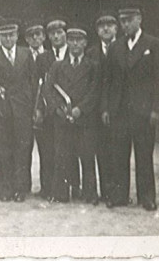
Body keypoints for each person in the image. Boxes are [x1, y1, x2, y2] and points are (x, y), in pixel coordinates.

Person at [103, 4, 159, 211]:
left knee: (144, 155)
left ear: (139, 19)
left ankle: (147, 197)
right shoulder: (115, 47)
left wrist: (157, 109)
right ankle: (120, 195)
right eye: (122, 21)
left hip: (143, 111)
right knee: (119, 155)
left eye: (129, 20)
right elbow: (108, 81)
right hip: (120, 111)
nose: (125, 25)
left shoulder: (154, 45)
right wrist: (106, 108)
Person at [0, 18, 38, 202]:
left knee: (22, 148)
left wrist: (30, 104)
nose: (7, 39)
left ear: (16, 35)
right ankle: (4, 188)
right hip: (1, 110)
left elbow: (33, 81)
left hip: (22, 109)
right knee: (2, 149)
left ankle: (20, 189)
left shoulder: (26, 54)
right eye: (4, 36)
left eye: (11, 35)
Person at [43, 24, 100, 205]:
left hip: (84, 119)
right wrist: (59, 109)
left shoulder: (92, 66)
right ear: (67, 43)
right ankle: (61, 193)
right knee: (62, 156)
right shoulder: (58, 66)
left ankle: (90, 194)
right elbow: (48, 90)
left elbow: (94, 91)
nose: (75, 44)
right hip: (63, 119)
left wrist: (79, 109)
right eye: (72, 40)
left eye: (79, 41)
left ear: (85, 43)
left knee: (87, 156)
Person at [34, 15, 72, 200]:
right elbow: (40, 85)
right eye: (52, 34)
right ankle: (47, 188)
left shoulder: (74, 53)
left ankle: (69, 189)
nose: (56, 37)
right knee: (47, 150)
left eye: (59, 33)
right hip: (50, 111)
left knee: (66, 151)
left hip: (68, 111)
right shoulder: (43, 58)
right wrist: (41, 109)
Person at [86, 10, 119, 203]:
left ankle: (118, 192)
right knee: (100, 152)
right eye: (101, 26)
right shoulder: (91, 53)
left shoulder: (124, 49)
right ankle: (105, 191)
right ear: (97, 31)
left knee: (118, 151)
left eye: (109, 25)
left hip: (118, 109)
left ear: (116, 28)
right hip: (95, 110)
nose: (105, 29)